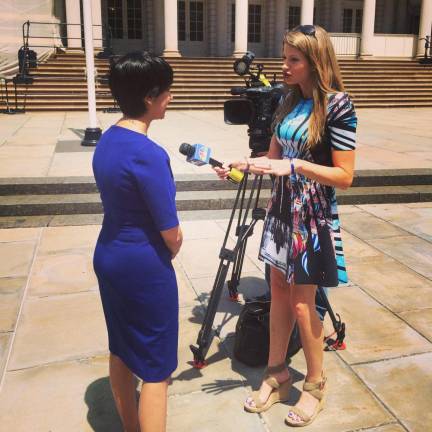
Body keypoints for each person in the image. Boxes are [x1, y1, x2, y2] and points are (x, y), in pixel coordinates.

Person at [215, 25, 357, 427]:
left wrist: (294, 165)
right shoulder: (287, 102)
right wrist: (242, 166)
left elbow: (344, 176)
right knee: (277, 292)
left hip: (311, 217)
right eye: (285, 57)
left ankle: (315, 383)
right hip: (281, 212)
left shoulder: (338, 105)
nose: (285, 66)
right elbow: (271, 157)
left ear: (315, 62)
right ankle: (276, 372)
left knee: (301, 303)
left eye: (293, 60)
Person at [92, 51, 182, 432]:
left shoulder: (107, 139)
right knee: (157, 370)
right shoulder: (148, 154)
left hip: (109, 254)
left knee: (122, 349)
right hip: (142, 266)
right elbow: (171, 234)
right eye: (166, 92)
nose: (170, 98)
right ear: (149, 97)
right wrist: (174, 247)